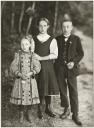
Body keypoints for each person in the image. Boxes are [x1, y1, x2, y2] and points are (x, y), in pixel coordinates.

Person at [55, 14, 84, 126]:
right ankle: (66, 109)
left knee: (73, 91)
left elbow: (81, 53)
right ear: (61, 28)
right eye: (63, 27)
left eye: (68, 27)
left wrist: (73, 62)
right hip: (60, 69)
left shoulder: (76, 39)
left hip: (72, 69)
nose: (65, 29)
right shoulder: (57, 39)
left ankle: (75, 114)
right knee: (62, 90)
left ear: (71, 28)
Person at [10, 35, 41, 123]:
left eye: (26, 44)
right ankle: (21, 114)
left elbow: (38, 67)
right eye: (22, 44)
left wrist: (32, 72)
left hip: (31, 80)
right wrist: (19, 74)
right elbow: (13, 67)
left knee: (29, 97)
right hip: (20, 80)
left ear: (30, 45)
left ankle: (29, 113)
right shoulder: (18, 55)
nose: (24, 46)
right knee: (21, 96)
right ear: (20, 45)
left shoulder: (33, 55)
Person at [33, 18, 59, 119]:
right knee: (39, 86)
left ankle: (48, 108)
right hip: (37, 66)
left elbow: (55, 55)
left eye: (44, 25)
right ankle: (39, 108)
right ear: (37, 26)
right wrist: (34, 56)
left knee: (48, 86)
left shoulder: (52, 40)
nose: (42, 28)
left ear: (48, 26)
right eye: (40, 25)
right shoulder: (34, 39)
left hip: (48, 66)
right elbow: (31, 52)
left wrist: (41, 58)